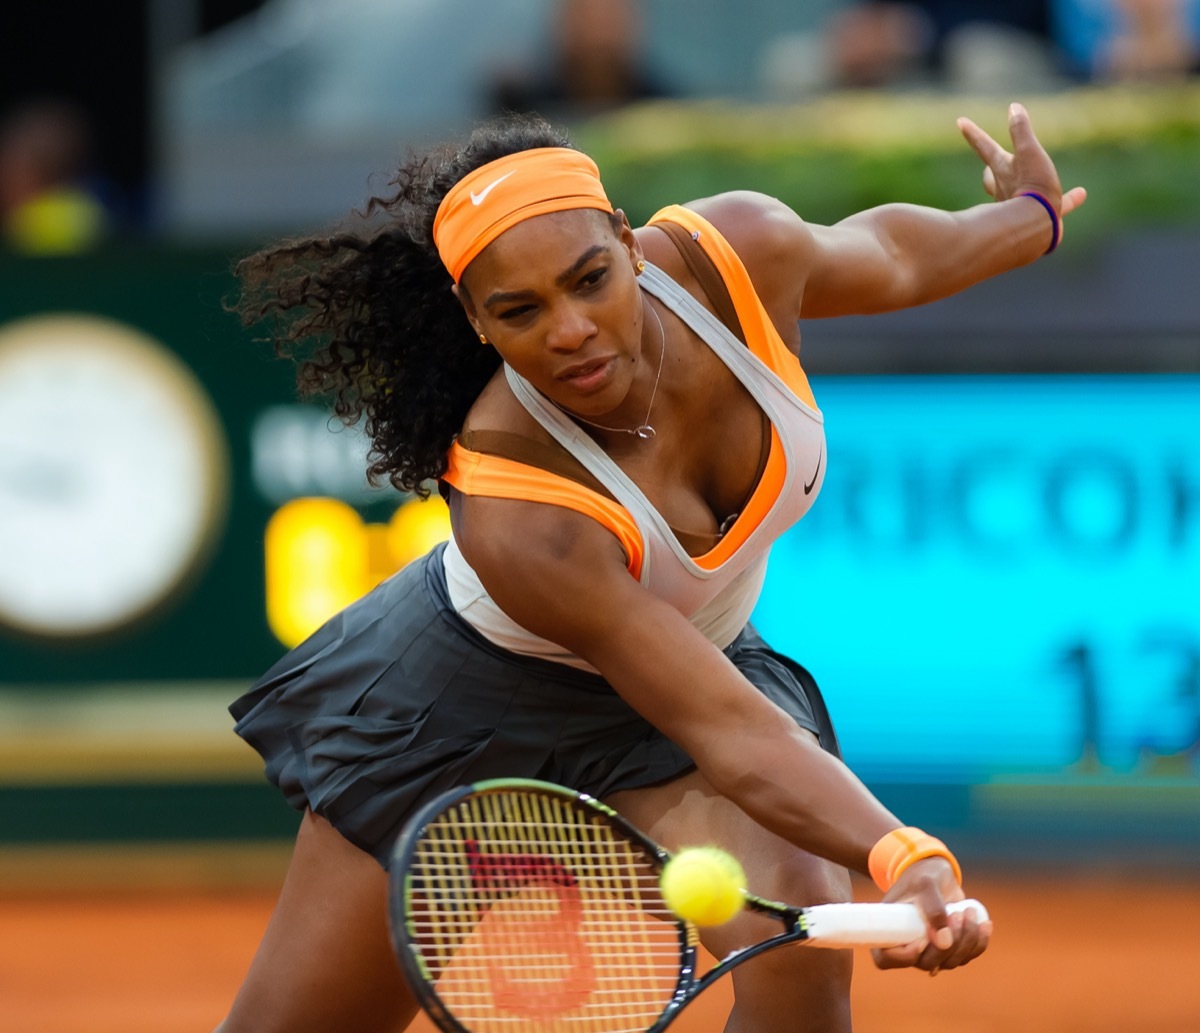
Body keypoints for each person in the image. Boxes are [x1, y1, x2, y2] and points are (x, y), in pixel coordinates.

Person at [219, 101, 1085, 1033]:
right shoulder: (520, 509)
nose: (571, 330)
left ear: (629, 244)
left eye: (589, 279)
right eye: (520, 310)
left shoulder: (734, 259)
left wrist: (1029, 218)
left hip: (692, 675)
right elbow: (731, 732)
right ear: (474, 319)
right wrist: (906, 852)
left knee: (795, 954)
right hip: (461, 706)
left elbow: (897, 253)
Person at [489, 0, 673, 121]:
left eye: (609, 15)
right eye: (586, 14)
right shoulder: (518, 105)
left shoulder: (666, 110)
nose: (598, 30)